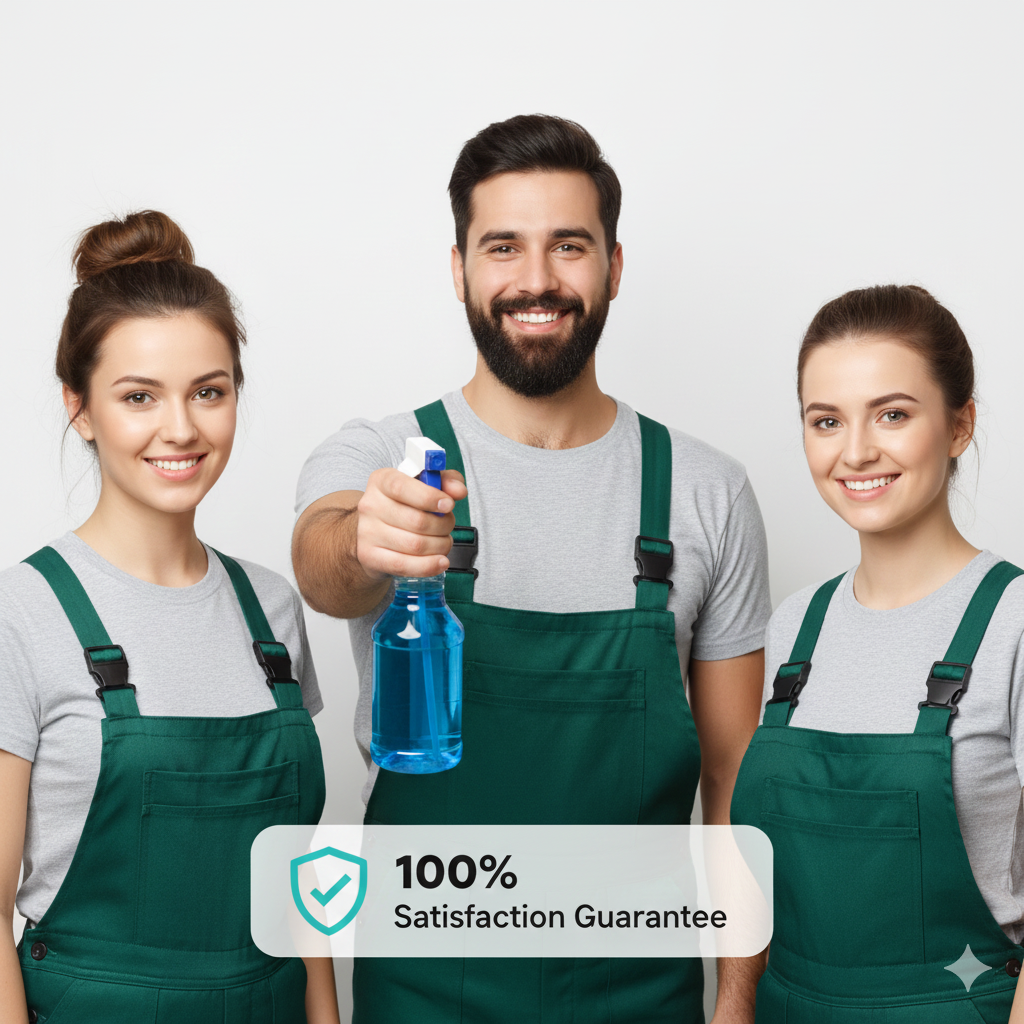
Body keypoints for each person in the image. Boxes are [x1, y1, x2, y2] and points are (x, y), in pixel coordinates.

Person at [292, 114, 772, 1021]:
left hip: (642, 994)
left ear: (615, 267)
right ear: (460, 268)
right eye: (503, 246)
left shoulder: (706, 492)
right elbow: (323, 565)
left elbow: (733, 778)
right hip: (425, 988)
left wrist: (736, 995)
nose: (537, 280)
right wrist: (368, 538)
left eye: (570, 246)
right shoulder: (381, 457)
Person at [0, 211, 340, 1024]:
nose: (181, 428)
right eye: (139, 396)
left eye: (208, 392)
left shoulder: (273, 614)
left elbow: (301, 892)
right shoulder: (22, 612)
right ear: (79, 407)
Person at [731, 285, 1024, 1022]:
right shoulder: (797, 626)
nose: (856, 451)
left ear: (960, 427)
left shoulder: (1014, 624)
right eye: (826, 421)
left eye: (893, 414)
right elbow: (756, 873)